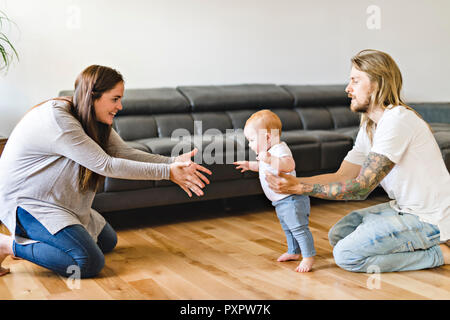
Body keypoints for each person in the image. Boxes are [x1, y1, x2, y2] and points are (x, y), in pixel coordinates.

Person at [0, 65, 212, 278]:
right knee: (87, 263)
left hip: (61, 202)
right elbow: (106, 164)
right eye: (115, 99)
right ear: (93, 96)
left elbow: (122, 152)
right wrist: (168, 173)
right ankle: (7, 245)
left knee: (107, 241)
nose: (120, 106)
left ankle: (41, 244)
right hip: (30, 203)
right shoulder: (58, 119)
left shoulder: (91, 118)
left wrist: (172, 162)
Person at [265, 49, 450, 273]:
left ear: (377, 84)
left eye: (355, 81)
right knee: (339, 235)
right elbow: (342, 176)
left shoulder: (397, 120)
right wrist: (292, 184)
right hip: (404, 208)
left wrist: (299, 187)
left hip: (431, 216)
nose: (348, 89)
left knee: (346, 256)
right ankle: (415, 242)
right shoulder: (370, 126)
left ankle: (438, 253)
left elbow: (361, 188)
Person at [234, 110, 316, 272]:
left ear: (267, 138)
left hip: (292, 198)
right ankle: (294, 251)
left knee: (298, 228)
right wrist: (251, 165)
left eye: (251, 140)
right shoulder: (266, 154)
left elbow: (289, 165)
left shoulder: (279, 149)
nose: (249, 144)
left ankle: (308, 257)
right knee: (288, 228)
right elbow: (264, 167)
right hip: (280, 201)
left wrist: (269, 158)